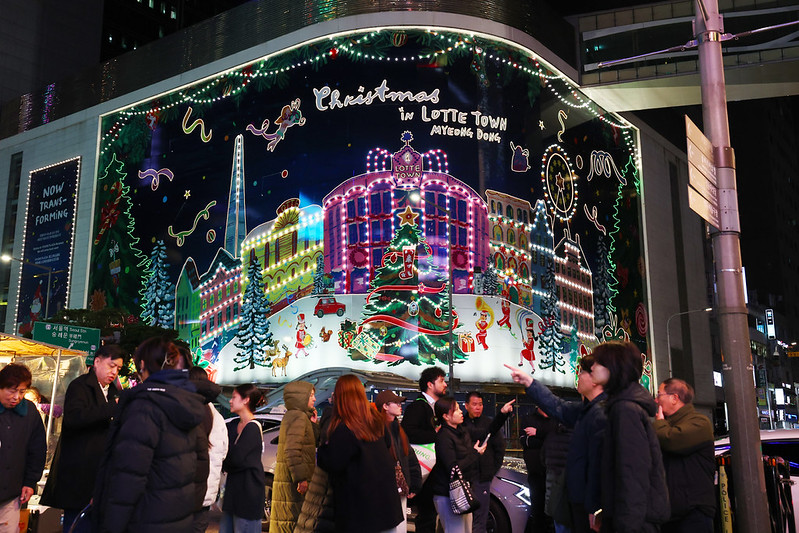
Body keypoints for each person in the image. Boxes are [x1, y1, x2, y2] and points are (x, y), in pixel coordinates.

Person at [92, 337, 209, 533]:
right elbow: (201, 470)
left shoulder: (144, 406)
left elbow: (128, 478)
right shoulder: (190, 405)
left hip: (143, 521)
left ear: (143, 364)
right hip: (178, 519)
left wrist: (111, 526)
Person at [507, 354, 608, 533]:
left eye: (582, 371)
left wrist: (597, 507)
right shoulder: (586, 410)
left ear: (596, 378)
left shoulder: (605, 414)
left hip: (592, 508)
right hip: (575, 502)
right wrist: (529, 382)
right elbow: (557, 406)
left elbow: (607, 466)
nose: (578, 375)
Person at [41, 344, 125, 533]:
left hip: (100, 475)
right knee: (76, 525)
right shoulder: (80, 386)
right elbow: (75, 418)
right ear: (97, 362)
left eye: (118, 369)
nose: (114, 372)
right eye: (111, 365)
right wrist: (114, 406)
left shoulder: (112, 391)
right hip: (79, 474)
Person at [590, 341, 669, 533]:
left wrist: (626, 525)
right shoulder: (622, 405)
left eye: (598, 362)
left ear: (614, 366)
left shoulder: (625, 409)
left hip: (634, 522)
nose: (592, 367)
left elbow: (633, 475)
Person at [317, 375, 403, 533]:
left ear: (340, 398)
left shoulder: (345, 429)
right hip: (386, 508)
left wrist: (322, 448)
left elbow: (332, 462)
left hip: (361, 513)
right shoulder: (376, 421)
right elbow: (388, 445)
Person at [654, 378, 715, 533]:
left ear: (674, 398)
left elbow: (671, 440)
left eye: (659, 394)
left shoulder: (700, 422)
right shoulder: (666, 425)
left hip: (694, 513)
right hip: (669, 513)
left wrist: (660, 422)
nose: (656, 399)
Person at [429, 396, 488, 533]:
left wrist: (502, 414)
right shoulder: (444, 436)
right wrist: (475, 454)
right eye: (456, 410)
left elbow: (487, 430)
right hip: (447, 494)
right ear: (446, 416)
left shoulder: (461, 431)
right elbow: (454, 468)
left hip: (463, 492)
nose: (461, 412)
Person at [0, 363, 46, 533]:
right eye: (11, 391)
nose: (16, 397)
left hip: (10, 497)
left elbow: (37, 450)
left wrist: (30, 481)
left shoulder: (30, 412)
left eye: (22, 391)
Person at [461, 392, 516, 533]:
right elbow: (479, 433)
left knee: (481, 518)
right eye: (474, 404)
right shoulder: (461, 424)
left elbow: (500, 448)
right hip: (464, 477)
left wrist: (491, 470)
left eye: (480, 404)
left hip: (483, 477)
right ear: (466, 406)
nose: (478, 407)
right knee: (462, 518)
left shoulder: (489, 423)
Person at [402, 366, 448, 533]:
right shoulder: (418, 406)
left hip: (432, 472)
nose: (445, 385)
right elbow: (407, 432)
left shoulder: (436, 406)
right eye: (442, 381)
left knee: (430, 515)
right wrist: (435, 435)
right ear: (430, 384)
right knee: (426, 517)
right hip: (422, 470)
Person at [269, 381, 317, 533]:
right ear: (300, 397)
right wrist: (301, 478)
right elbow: (292, 450)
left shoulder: (294, 416)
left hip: (288, 482)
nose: (314, 399)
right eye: (311, 395)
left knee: (287, 521)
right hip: (294, 486)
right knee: (293, 521)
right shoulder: (298, 417)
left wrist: (313, 424)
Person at [375, 389, 423, 533]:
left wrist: (414, 485)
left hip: (401, 490)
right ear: (385, 406)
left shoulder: (398, 429)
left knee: (399, 529)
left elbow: (410, 457)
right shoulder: (378, 429)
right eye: (395, 402)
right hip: (387, 493)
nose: (400, 405)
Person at [220, 383, 264, 533]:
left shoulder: (253, 428)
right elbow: (225, 455)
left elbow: (234, 458)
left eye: (234, 397)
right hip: (232, 493)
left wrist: (227, 457)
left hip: (248, 495)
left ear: (246, 400)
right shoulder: (232, 425)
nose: (230, 401)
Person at [188, 366, 227, 533]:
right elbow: (223, 452)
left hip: (184, 492)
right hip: (205, 494)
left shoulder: (186, 411)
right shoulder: (217, 417)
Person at [520, 407, 555, 533]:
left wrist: (538, 433)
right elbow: (525, 441)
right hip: (535, 473)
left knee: (552, 512)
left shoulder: (555, 419)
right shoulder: (528, 419)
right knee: (537, 511)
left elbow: (556, 440)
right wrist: (546, 438)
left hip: (553, 473)